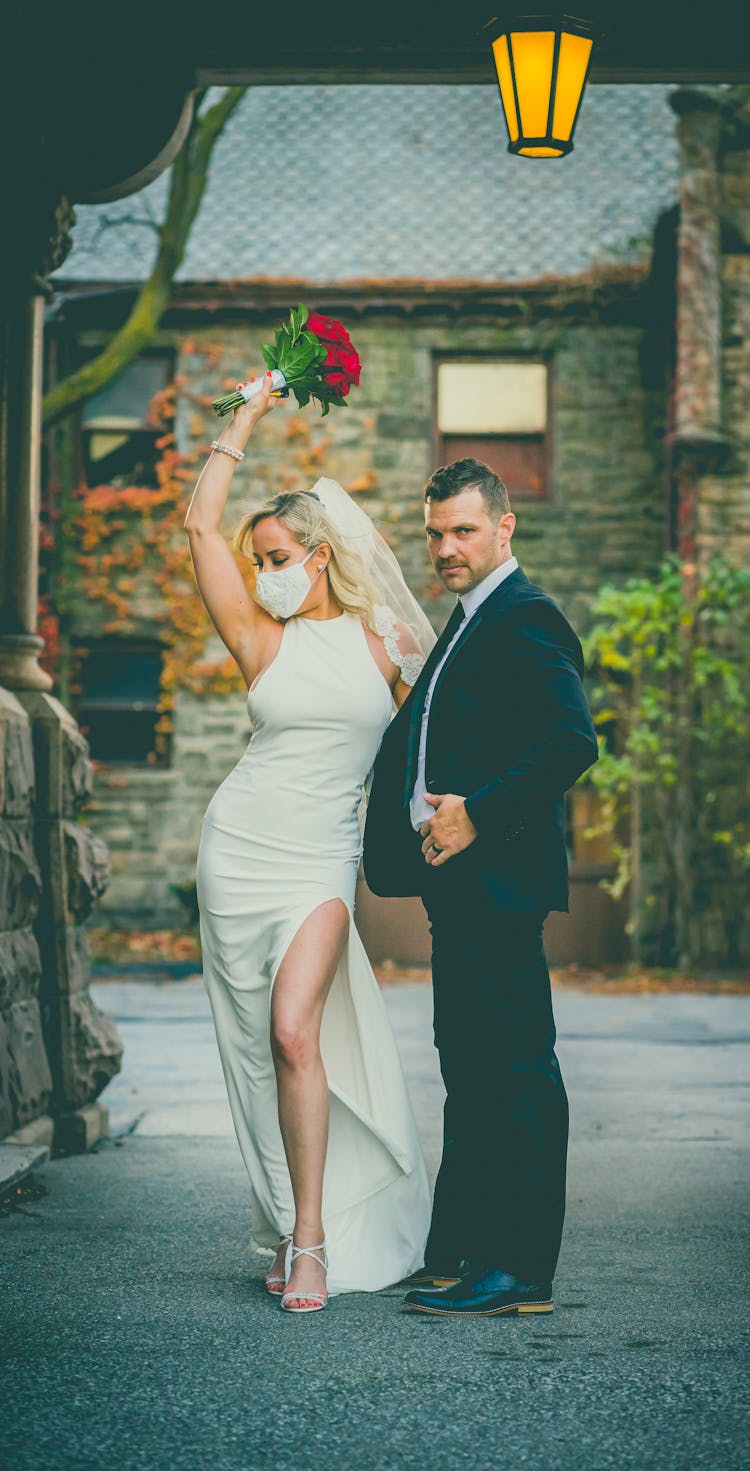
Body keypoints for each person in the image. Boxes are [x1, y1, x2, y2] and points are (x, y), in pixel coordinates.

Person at [184, 374, 434, 1312]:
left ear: (322, 556)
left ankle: (314, 1242)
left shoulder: (387, 642)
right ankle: (287, 1220)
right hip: (240, 846)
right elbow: (200, 530)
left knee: (295, 1031)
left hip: (321, 864)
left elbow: (436, 738)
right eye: (260, 561)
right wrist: (246, 416)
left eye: (281, 555)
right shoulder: (258, 635)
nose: (266, 572)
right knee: (257, 1045)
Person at [363, 457, 599, 1319]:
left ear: (504, 528)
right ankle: (462, 1248)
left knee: (516, 1072)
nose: (445, 547)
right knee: (468, 1066)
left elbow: (570, 740)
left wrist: (478, 814)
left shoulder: (527, 616)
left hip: (498, 880)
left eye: (463, 530)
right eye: (435, 532)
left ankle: (519, 1268)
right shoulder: (467, 621)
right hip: (458, 890)